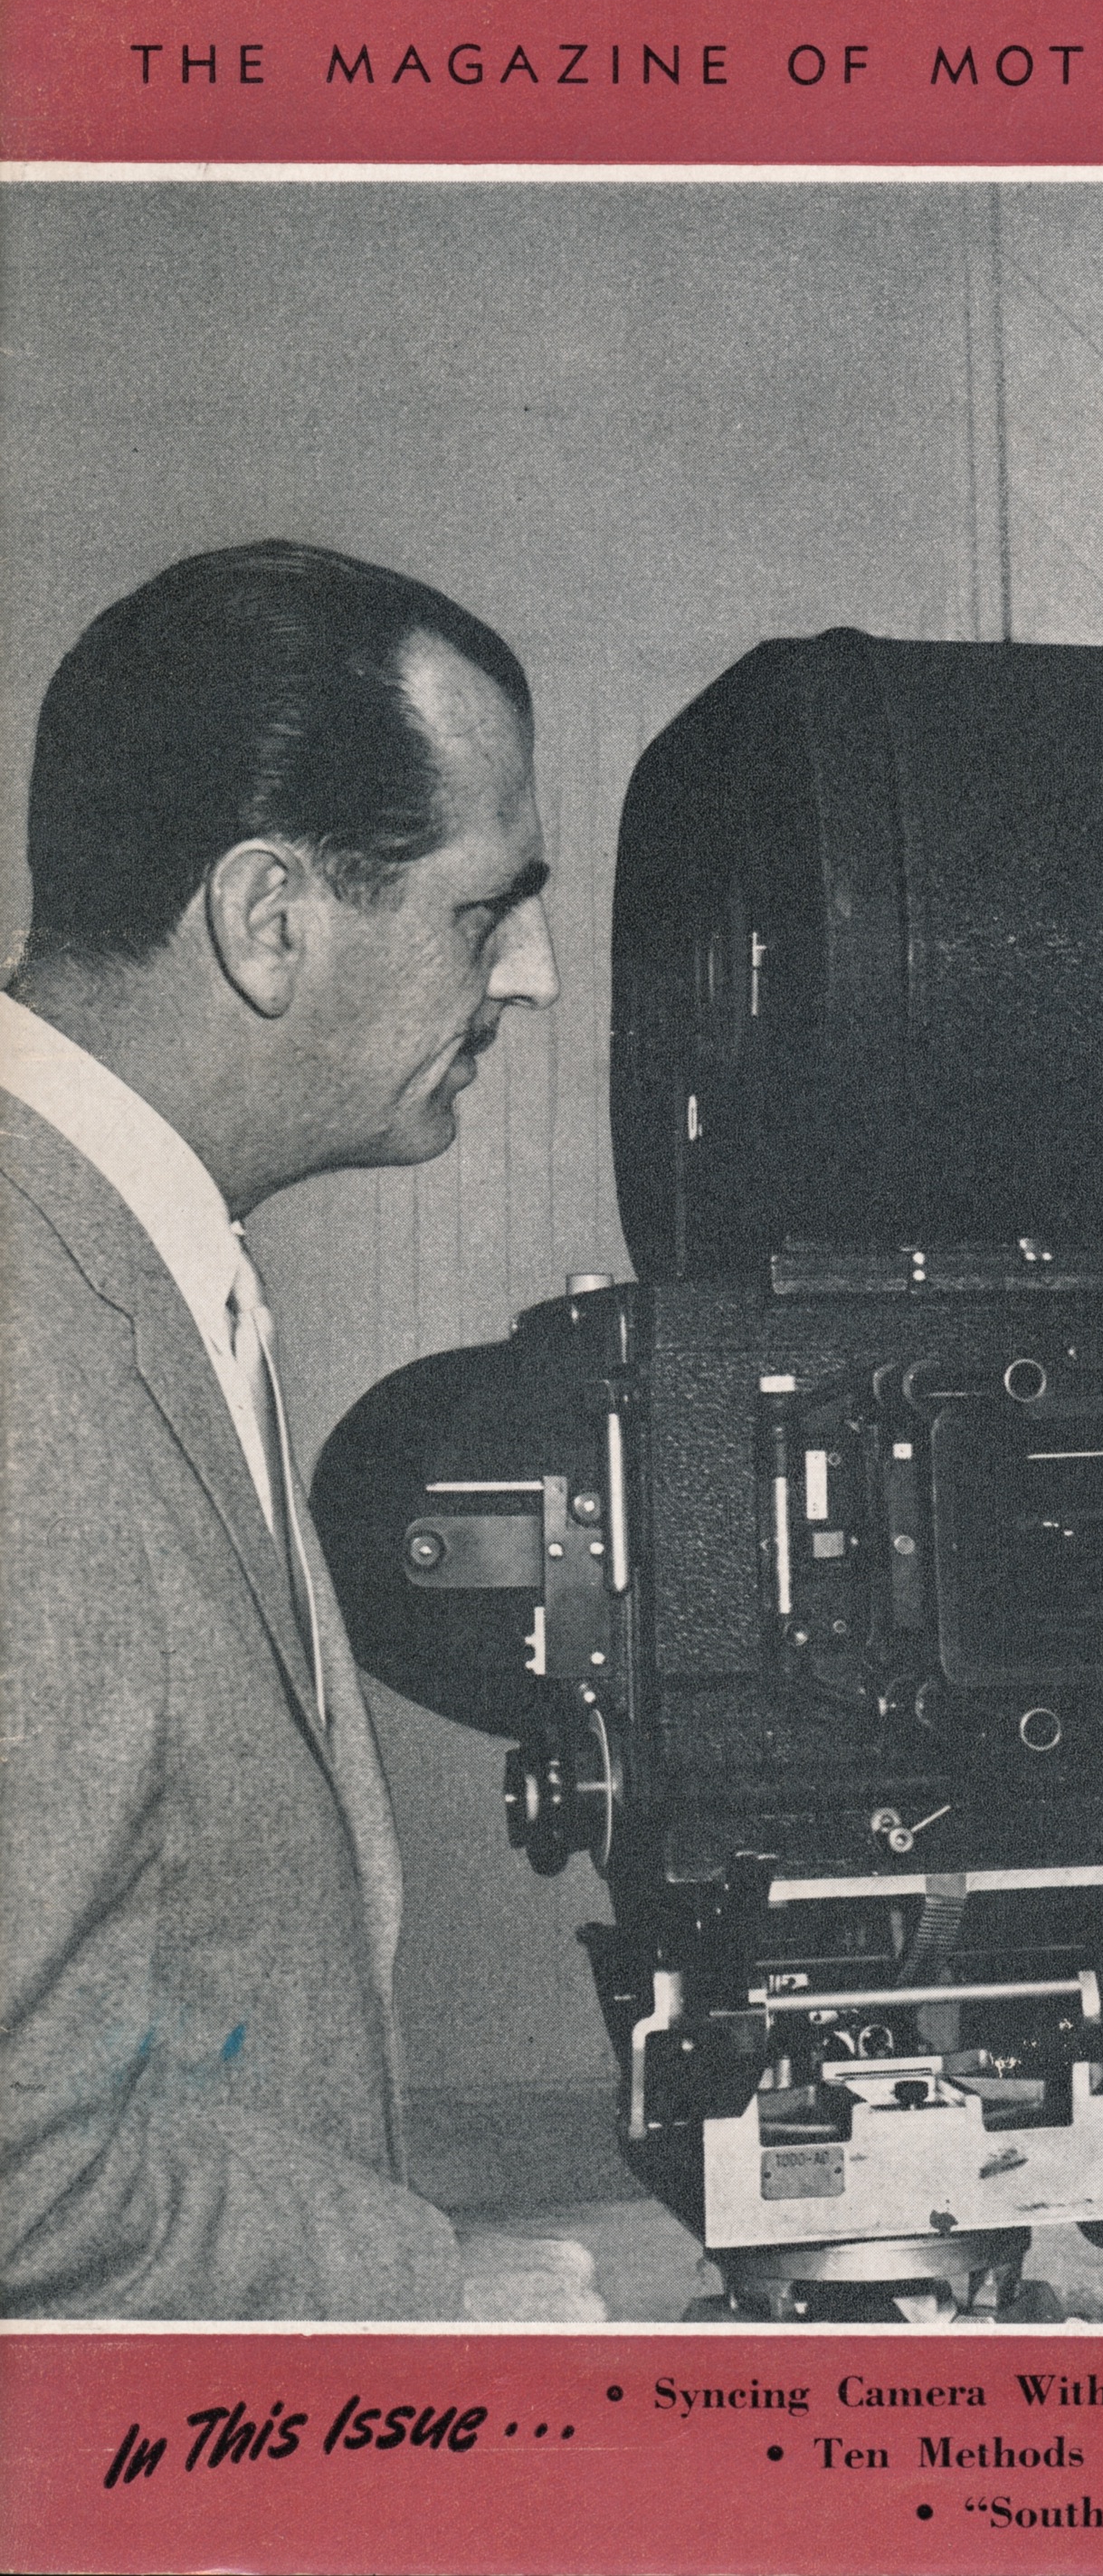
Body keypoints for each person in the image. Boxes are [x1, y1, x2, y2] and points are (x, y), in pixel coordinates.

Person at [0, 541, 595, 2319]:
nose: (535, 975)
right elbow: (21, 2184)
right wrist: (426, 2295)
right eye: (484, 910)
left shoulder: (125, 1261)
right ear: (269, 920)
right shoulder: (22, 1346)